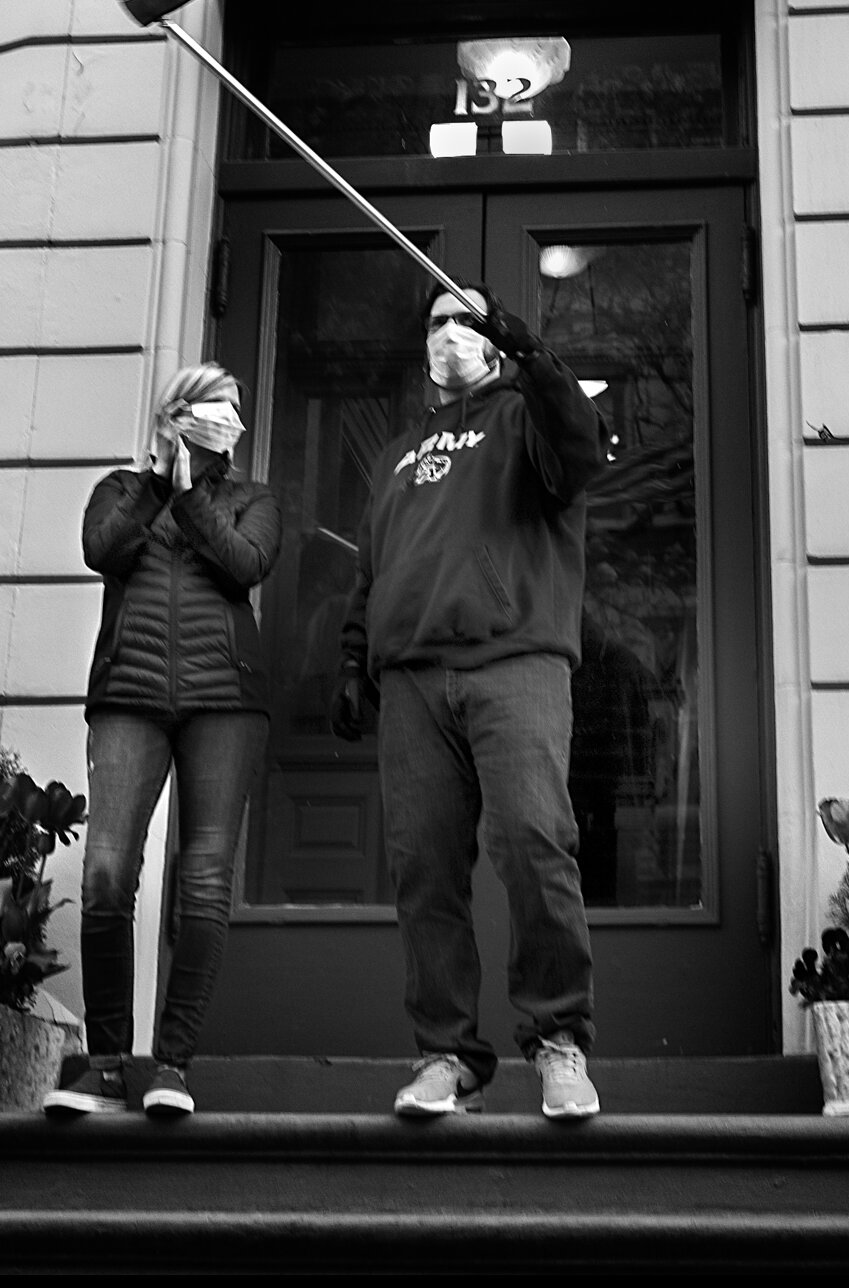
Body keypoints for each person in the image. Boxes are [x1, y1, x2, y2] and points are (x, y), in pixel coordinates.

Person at [330, 282, 608, 1121]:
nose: (450, 334)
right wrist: (353, 659)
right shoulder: (398, 455)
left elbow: (583, 452)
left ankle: (559, 1042)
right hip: (412, 678)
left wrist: (537, 361)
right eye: (438, 322)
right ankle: (448, 1056)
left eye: (467, 321)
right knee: (424, 871)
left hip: (514, 659)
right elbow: (372, 567)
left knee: (534, 841)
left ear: (492, 341)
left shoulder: (527, 419)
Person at [45, 363, 281, 1119]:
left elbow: (246, 563)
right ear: (178, 413)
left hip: (226, 702)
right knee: (109, 870)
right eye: (218, 404)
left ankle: (172, 1065)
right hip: (129, 697)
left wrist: (189, 496)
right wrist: (155, 483)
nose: (231, 417)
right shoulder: (120, 489)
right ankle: (109, 1064)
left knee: (206, 879)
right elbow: (101, 550)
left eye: (235, 408)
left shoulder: (252, 500)